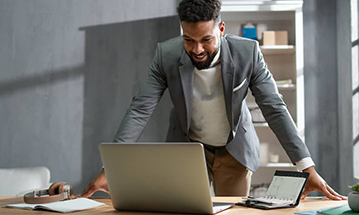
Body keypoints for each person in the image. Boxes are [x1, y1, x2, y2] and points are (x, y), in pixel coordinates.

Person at [77, 0, 346, 200]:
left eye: (206, 39)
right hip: (188, 148)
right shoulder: (166, 55)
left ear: (221, 28)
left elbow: (275, 108)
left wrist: (306, 167)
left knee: (233, 211)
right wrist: (110, 167)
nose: (197, 49)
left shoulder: (248, 53)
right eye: (189, 40)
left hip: (235, 149)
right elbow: (139, 109)